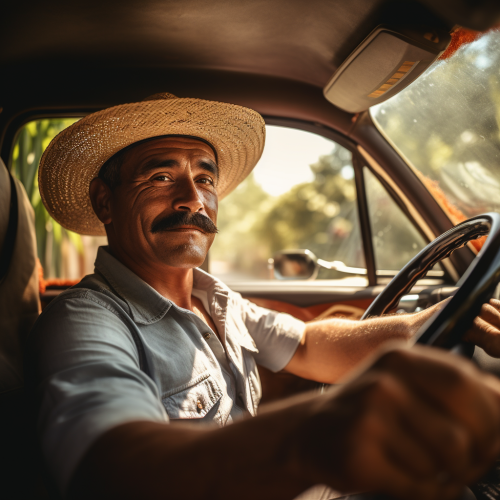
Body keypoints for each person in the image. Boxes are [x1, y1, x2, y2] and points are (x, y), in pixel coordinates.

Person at [27, 92, 500, 500]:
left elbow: (309, 344)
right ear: (105, 201)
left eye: (206, 178)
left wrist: (428, 321)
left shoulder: (218, 301)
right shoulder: (85, 320)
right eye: (161, 177)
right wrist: (311, 436)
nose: (193, 198)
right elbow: (106, 468)